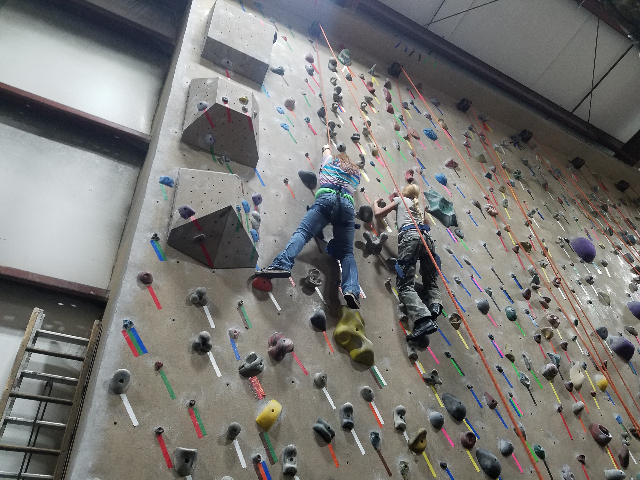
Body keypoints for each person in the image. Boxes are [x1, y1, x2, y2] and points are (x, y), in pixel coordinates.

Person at [258, 145, 362, 309]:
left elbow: (326, 152)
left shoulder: (330, 162)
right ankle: (351, 290)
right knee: (347, 253)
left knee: (303, 232)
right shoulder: (356, 174)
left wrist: (326, 147)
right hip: (347, 207)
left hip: (326, 198)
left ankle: (282, 264)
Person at [373, 183, 442, 343]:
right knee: (430, 281)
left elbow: (378, 214)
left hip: (410, 238)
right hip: (427, 239)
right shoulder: (418, 206)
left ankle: (423, 320)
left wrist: (376, 202)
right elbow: (427, 224)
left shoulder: (400, 200)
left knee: (404, 286)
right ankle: (435, 305)